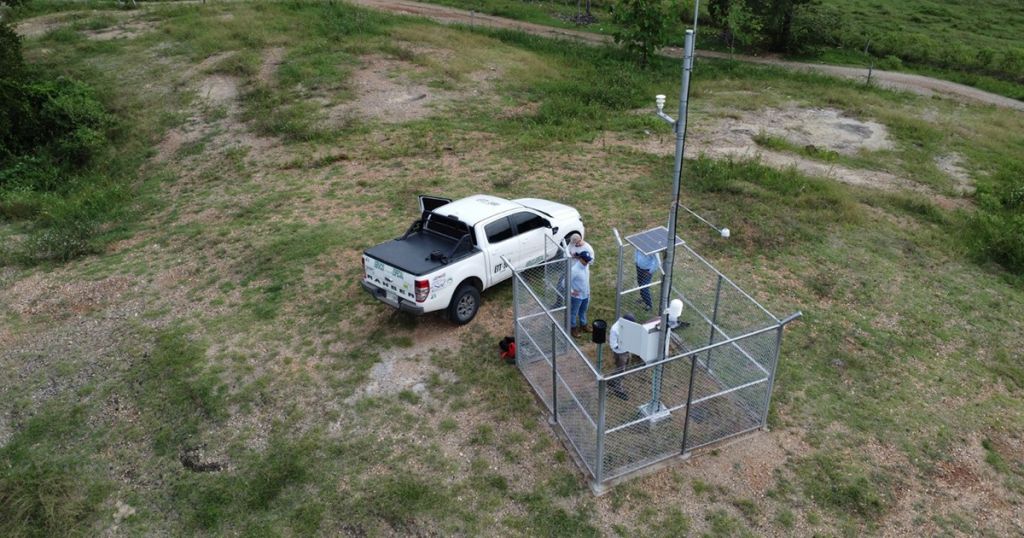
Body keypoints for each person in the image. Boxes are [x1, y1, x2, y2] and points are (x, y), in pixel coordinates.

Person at [607, 314, 635, 400]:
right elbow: (613, 345)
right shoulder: (615, 329)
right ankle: (618, 390)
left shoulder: (627, 325)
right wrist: (624, 344)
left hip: (626, 350)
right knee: (621, 370)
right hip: (620, 353)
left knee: (623, 367)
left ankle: (611, 380)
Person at [569, 251, 592, 338]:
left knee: (583, 310)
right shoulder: (574, 270)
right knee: (573, 313)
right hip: (577, 297)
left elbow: (586, 279)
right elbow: (565, 283)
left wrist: (588, 290)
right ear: (580, 259)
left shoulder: (586, 266)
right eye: (585, 260)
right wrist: (571, 292)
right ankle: (573, 328)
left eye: (588, 260)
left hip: (586, 294)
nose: (587, 262)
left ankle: (583, 324)